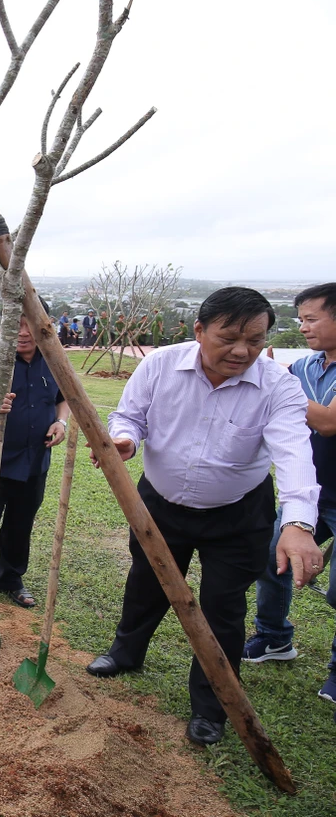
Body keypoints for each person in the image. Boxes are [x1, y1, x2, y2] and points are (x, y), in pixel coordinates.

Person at [85, 287, 321, 747]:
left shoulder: (279, 385)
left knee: (223, 608)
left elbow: (295, 452)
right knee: (145, 583)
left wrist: (298, 523)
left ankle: (212, 705)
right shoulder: (159, 365)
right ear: (199, 331)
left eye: (255, 340)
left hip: (238, 515)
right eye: (229, 337)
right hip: (159, 504)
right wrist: (125, 441)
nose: (242, 350)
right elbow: (130, 416)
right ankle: (125, 653)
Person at [243, 283, 336, 700]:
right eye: (301, 318)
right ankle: (274, 636)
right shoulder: (308, 367)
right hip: (311, 493)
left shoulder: (290, 376)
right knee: (271, 558)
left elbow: (329, 422)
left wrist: (277, 380)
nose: (303, 327)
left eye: (312, 318)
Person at [0, 302, 70, 610]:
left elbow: (63, 399)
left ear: (43, 325)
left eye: (29, 324)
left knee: (20, 526)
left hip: (35, 461)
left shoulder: (53, 359)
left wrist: (61, 423)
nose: (22, 332)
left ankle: (11, 580)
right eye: (15, 324)